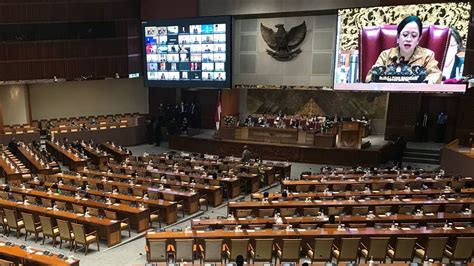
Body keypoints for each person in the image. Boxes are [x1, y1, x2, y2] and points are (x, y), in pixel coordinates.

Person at [365, 16, 442, 84]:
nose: (408, 39)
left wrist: (427, 83)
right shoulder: (385, 55)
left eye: (414, 36)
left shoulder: (427, 55)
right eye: (405, 35)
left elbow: (435, 75)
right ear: (398, 37)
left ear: (419, 39)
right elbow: (370, 77)